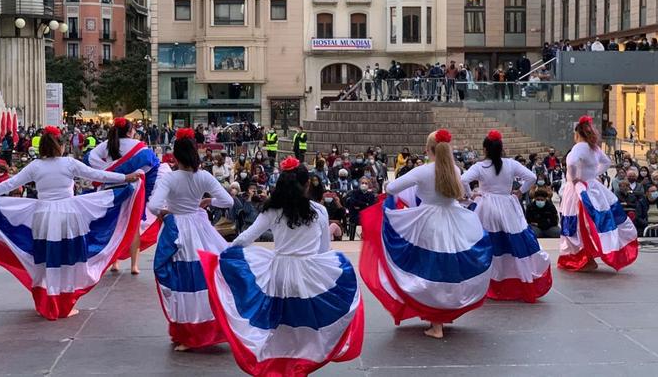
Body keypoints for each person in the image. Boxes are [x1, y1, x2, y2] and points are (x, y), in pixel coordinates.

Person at [199, 157, 364, 376]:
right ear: (307, 185)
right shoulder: (318, 211)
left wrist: (222, 255)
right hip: (309, 274)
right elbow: (324, 250)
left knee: (280, 323)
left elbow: (245, 238)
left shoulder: (272, 210)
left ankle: (279, 365)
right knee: (304, 324)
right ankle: (300, 364)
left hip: (279, 272)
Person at [0, 126, 142, 320]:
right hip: (68, 215)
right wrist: (126, 177)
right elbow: (98, 175)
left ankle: (47, 299)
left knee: (46, 258)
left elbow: (9, 184)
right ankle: (65, 303)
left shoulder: (36, 166)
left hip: (43, 216)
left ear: (42, 147)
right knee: (68, 258)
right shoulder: (69, 163)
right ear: (60, 146)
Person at [360, 129, 492, 339]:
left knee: (431, 271)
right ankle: (442, 315)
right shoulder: (455, 171)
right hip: (456, 220)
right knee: (448, 270)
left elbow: (393, 187)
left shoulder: (423, 171)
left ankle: (436, 323)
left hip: (429, 222)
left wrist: (388, 187)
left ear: (429, 150)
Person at [148, 128, 233, 351]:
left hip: (179, 233)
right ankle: (206, 328)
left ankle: (187, 333)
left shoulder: (171, 178)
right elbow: (228, 202)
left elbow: (153, 206)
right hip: (200, 229)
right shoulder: (203, 176)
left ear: (175, 156)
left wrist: (166, 212)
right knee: (204, 280)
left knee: (184, 284)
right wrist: (207, 202)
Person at [461, 130, 552, 302]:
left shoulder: (479, 167)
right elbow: (531, 177)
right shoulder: (510, 164)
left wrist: (470, 195)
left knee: (488, 245)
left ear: (485, 149)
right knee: (512, 243)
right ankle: (514, 280)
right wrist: (520, 191)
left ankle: (488, 283)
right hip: (507, 206)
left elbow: (463, 180)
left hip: (486, 207)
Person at [559, 116, 639, 272]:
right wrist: (594, 174)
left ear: (577, 134)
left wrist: (575, 179)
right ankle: (591, 255)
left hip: (578, 190)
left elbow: (571, 163)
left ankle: (583, 258)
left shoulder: (579, 147)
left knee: (576, 224)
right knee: (595, 222)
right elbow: (607, 162)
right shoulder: (594, 147)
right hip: (593, 187)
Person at [85, 117, 161, 274]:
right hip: (134, 189)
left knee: (114, 226)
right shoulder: (139, 147)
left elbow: (89, 159)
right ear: (129, 131)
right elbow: (152, 164)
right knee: (133, 226)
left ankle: (114, 262)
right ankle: (134, 265)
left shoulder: (106, 145)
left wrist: (107, 170)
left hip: (110, 189)